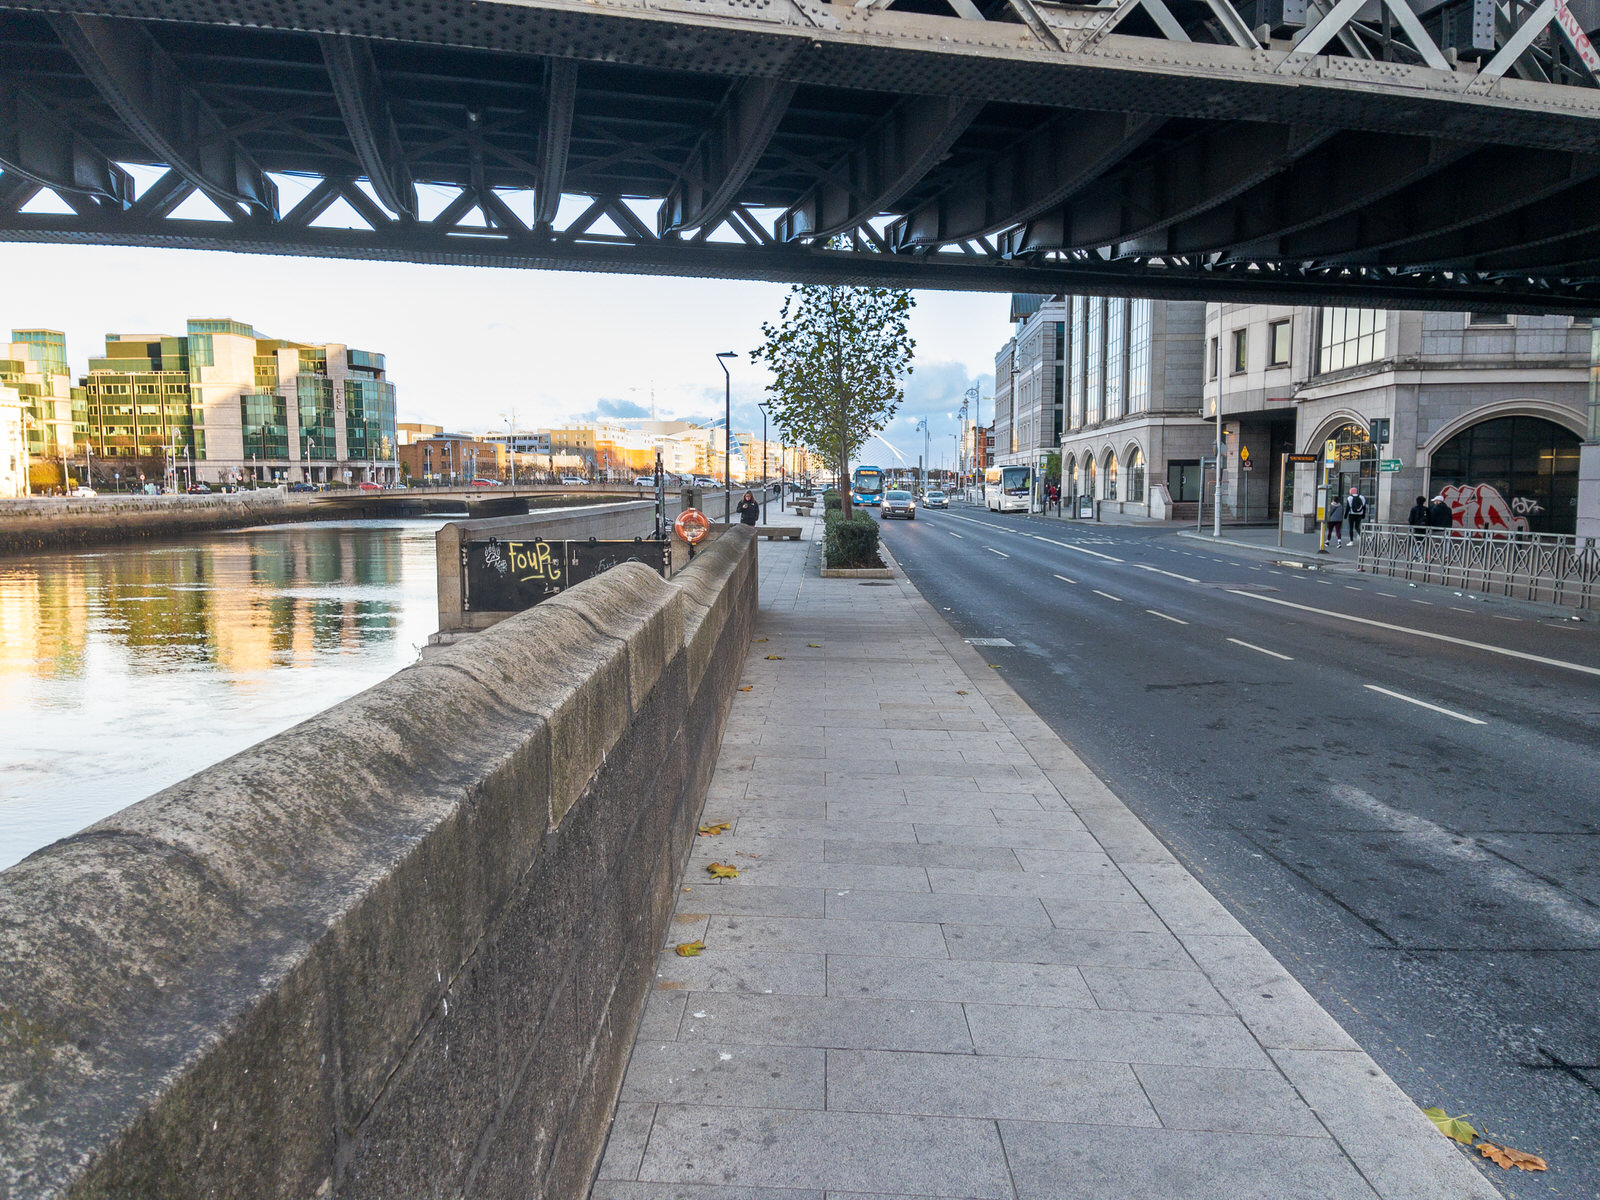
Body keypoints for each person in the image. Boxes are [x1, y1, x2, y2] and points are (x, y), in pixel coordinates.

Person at [1407, 494, 1429, 560]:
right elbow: (1429, 519)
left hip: (1415, 528)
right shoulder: (1426, 509)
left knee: (1415, 542)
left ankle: (1415, 556)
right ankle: (1421, 555)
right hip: (1424, 528)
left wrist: (1411, 526)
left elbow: (1411, 519)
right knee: (1422, 542)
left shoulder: (1414, 509)